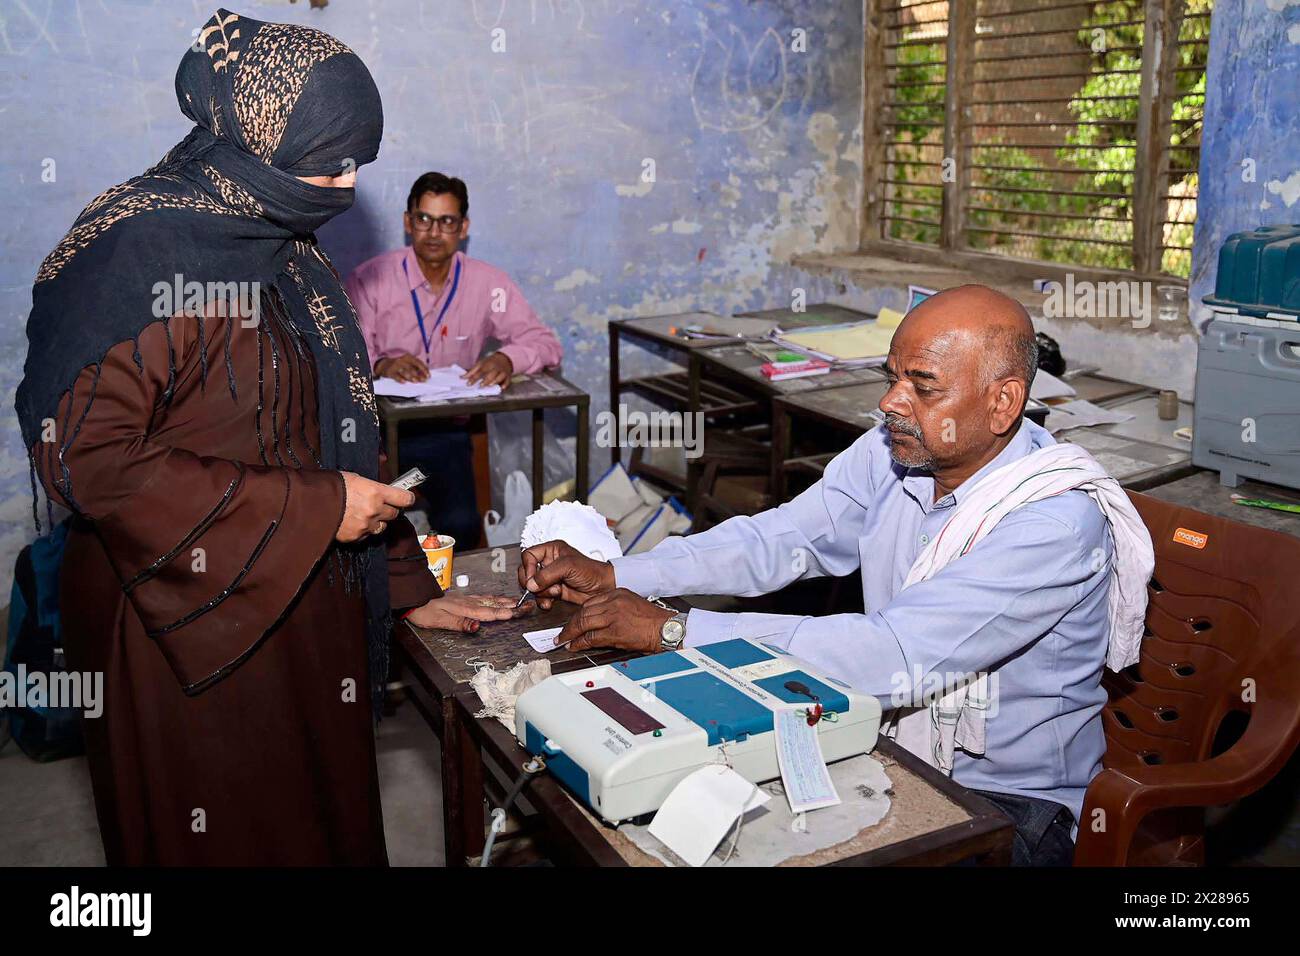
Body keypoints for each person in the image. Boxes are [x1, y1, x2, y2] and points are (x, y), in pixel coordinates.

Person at [15, 9, 517, 866]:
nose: (346, 185)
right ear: (260, 143)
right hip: (180, 625)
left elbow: (333, 429)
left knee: (320, 822)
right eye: (332, 162)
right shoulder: (139, 248)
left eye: (359, 163)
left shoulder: (284, 245)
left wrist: (399, 586)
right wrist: (319, 508)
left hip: (301, 608)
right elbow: (88, 458)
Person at [518, 285, 1155, 867]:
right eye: (891, 377)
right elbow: (785, 538)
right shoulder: (901, 450)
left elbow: (889, 654)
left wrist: (675, 630)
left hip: (1009, 803)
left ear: (1002, 401)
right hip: (885, 736)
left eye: (922, 386)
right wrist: (617, 572)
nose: (891, 403)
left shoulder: (1053, 525)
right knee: (659, 809)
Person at [345, 172, 563, 549]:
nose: (433, 232)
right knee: (374, 529)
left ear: (463, 227)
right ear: (407, 222)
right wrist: (380, 364)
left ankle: (449, 596)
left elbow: (545, 344)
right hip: (377, 430)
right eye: (424, 219)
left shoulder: (487, 284)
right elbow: (343, 355)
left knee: (461, 526)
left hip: (445, 431)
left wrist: (509, 358)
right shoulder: (371, 280)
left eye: (446, 222)